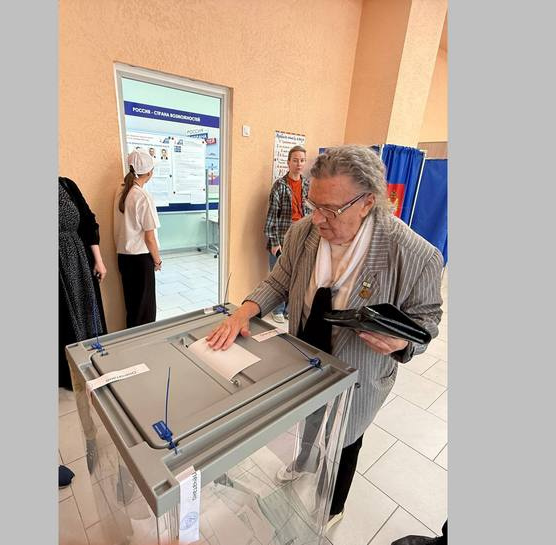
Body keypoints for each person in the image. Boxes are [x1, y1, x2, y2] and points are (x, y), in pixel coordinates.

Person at [207, 145, 444, 531]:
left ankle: (333, 507)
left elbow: (427, 321)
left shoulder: (414, 254)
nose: (317, 218)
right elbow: (279, 281)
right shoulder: (305, 232)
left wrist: (402, 343)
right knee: (307, 417)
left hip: (360, 371)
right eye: (312, 204)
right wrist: (243, 312)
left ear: (367, 203)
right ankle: (304, 462)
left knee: (347, 438)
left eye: (330, 210)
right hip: (306, 354)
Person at [57, 176, 108, 487]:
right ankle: (70, 376)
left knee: (89, 323)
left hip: (76, 262)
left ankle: (92, 369)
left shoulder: (66, 185)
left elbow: (88, 222)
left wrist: (98, 260)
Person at [114, 149, 162, 328]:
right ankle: (144, 344)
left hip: (124, 258)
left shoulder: (121, 192)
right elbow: (149, 238)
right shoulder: (143, 197)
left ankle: (131, 342)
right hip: (140, 260)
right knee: (145, 312)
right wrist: (157, 260)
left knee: (133, 309)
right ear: (149, 173)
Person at [263, 145, 310, 323]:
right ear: (288, 162)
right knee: (278, 275)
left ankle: (290, 308)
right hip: (282, 237)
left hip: (302, 236)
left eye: (302, 160)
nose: (299, 164)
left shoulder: (307, 184)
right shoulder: (280, 186)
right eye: (295, 160)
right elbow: (271, 217)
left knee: (297, 274)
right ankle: (278, 309)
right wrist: (275, 242)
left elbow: (311, 213)